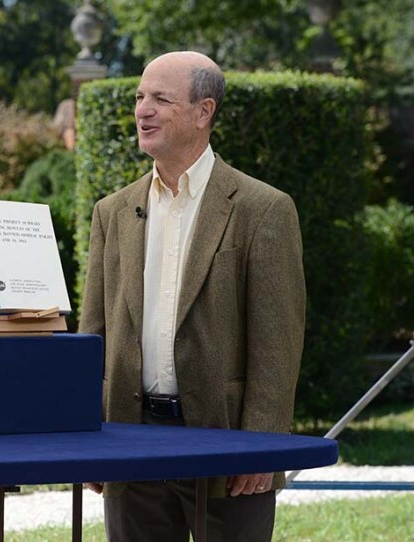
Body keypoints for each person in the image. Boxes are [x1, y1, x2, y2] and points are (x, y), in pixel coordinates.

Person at [79, 51, 306, 541]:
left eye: (161, 98)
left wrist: (262, 447)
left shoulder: (263, 209)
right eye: (140, 97)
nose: (143, 109)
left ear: (204, 112)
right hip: (129, 443)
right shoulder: (112, 212)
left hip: (227, 449)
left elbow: (277, 345)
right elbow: (93, 334)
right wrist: (89, 435)